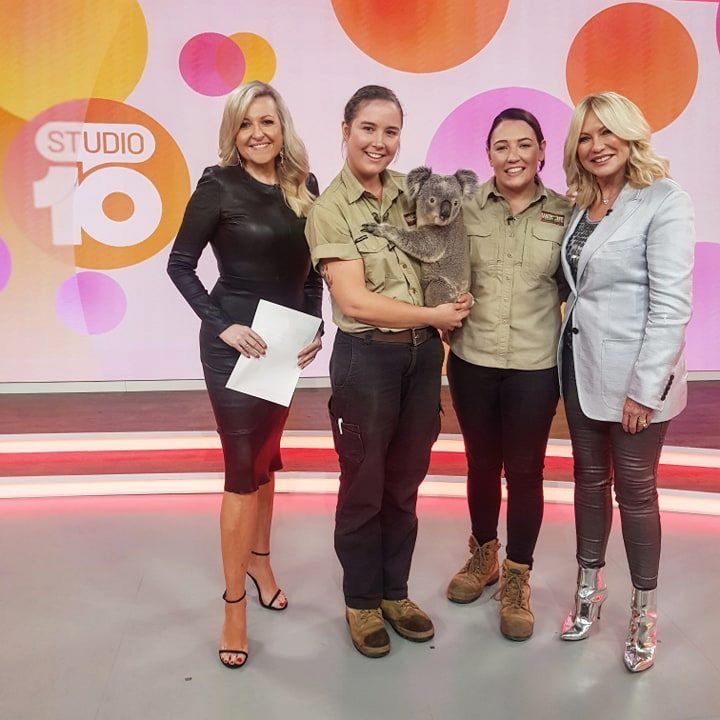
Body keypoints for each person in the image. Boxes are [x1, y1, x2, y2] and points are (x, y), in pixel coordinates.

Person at [305, 85, 471, 658]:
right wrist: (434, 316)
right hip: (367, 360)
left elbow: (447, 250)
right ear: (345, 130)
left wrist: (454, 301)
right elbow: (354, 301)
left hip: (421, 359)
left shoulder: (412, 191)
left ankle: (395, 594)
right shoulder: (330, 209)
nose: (379, 142)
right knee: (364, 487)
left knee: (404, 485)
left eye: (391, 131)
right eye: (368, 128)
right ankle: (361, 602)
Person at [167, 81, 323, 669]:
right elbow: (180, 264)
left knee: (266, 459)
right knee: (240, 469)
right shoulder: (218, 185)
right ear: (233, 132)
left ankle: (261, 561)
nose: (258, 133)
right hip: (236, 347)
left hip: (283, 344)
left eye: (267, 121)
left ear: (283, 127)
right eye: (245, 123)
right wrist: (221, 326)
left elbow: (314, 271)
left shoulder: (304, 184)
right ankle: (233, 606)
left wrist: (313, 327)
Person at [557, 92, 694, 672]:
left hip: (637, 380)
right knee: (588, 483)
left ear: (630, 134)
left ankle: (644, 614)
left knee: (635, 492)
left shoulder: (665, 199)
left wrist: (645, 388)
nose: (596, 146)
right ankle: (589, 593)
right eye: (585, 137)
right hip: (580, 367)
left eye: (606, 133)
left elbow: (671, 305)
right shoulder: (582, 203)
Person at [445, 108, 572, 641]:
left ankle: (518, 576)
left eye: (524, 144)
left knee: (524, 471)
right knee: (480, 463)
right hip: (472, 361)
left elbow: (573, 286)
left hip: (533, 367)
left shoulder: (567, 213)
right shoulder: (464, 208)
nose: (512, 155)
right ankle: (483, 557)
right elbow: (445, 271)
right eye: (501, 146)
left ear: (542, 150)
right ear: (488, 154)